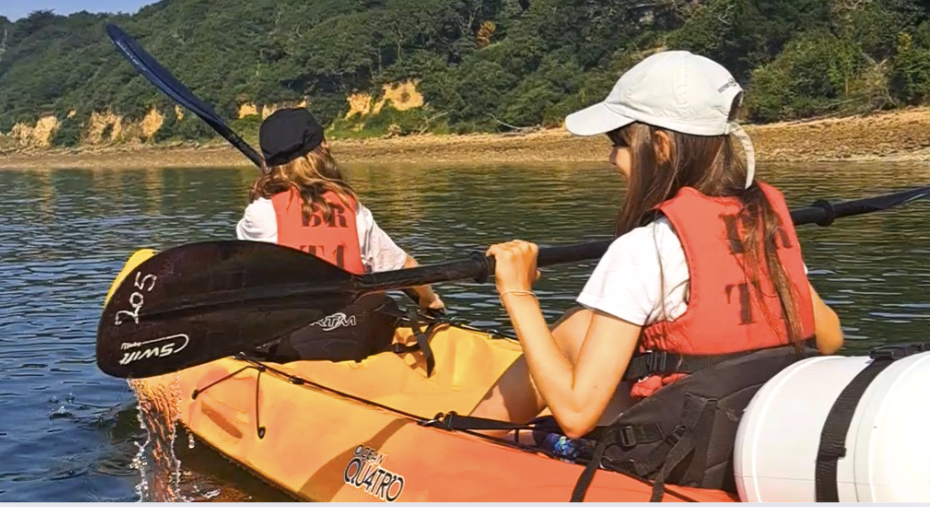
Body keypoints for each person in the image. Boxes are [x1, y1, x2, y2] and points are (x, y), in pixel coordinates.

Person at [470, 51, 844, 498]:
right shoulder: (764, 219)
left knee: (572, 331)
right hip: (746, 429)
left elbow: (575, 413)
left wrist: (516, 291)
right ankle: (473, 430)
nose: (612, 159)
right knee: (585, 325)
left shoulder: (643, 249)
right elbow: (829, 335)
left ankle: (464, 440)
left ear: (662, 147)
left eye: (619, 141)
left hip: (680, 454)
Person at [236, 107, 444, 363]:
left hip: (293, 344)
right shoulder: (353, 209)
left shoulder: (258, 214)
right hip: (356, 336)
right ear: (323, 147)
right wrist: (430, 299)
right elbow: (405, 267)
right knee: (385, 306)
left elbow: (246, 277)